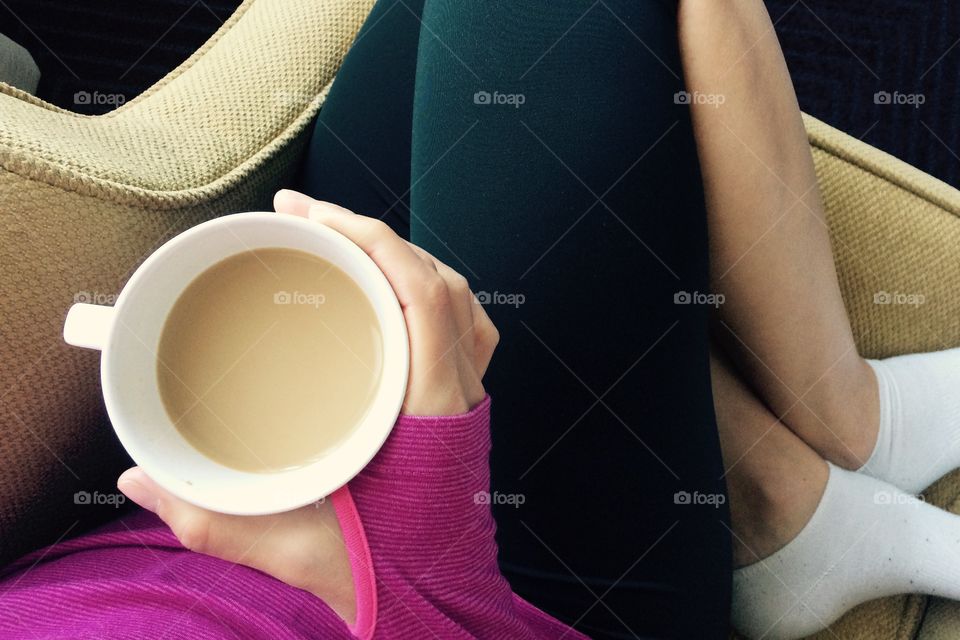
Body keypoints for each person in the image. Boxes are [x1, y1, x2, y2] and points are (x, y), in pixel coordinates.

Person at [3, 1, 960, 639]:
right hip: (508, 599)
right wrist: (406, 571)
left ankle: (787, 490)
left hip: (238, 497)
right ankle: (841, 429)